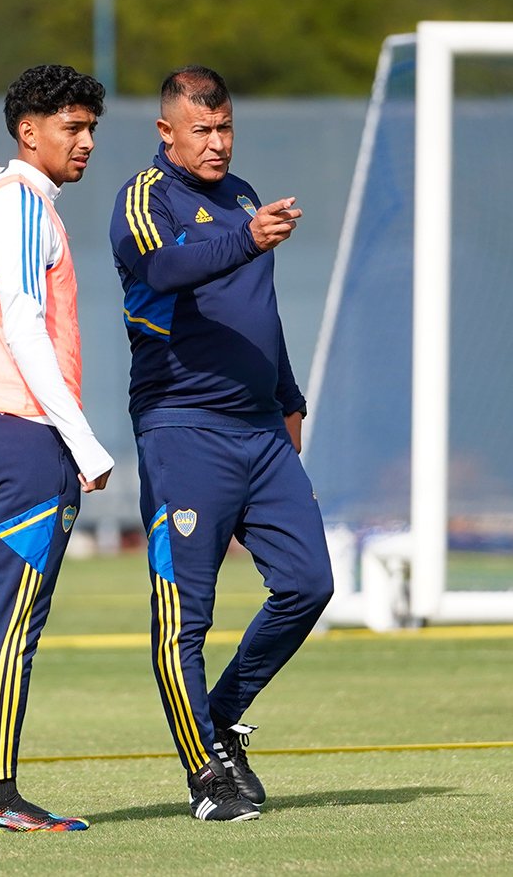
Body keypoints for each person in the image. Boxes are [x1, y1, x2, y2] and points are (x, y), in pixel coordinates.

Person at [109, 65, 333, 822]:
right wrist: (244, 236)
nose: (217, 142)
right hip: (184, 429)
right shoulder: (145, 197)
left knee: (309, 585)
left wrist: (290, 399)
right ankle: (206, 776)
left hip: (260, 431)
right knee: (185, 617)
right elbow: (162, 267)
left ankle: (219, 721)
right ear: (166, 132)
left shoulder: (240, 195)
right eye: (201, 129)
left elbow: (257, 315)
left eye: (225, 127)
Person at [0, 64, 114, 834]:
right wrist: (81, 439)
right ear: (29, 132)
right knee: (16, 623)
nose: (85, 142)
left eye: (90, 128)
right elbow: (22, 323)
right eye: (71, 128)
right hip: (24, 437)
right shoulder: (18, 205)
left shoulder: (6, 198)